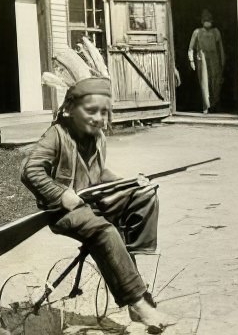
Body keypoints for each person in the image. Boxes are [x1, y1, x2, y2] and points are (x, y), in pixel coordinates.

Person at [20, 77, 176, 331]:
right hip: (64, 211)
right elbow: (31, 171)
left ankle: (127, 262)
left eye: (105, 112)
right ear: (69, 109)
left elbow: (98, 172)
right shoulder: (56, 135)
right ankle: (137, 303)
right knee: (105, 232)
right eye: (91, 111)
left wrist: (127, 183)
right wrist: (61, 194)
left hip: (93, 202)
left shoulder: (96, 137)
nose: (99, 118)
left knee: (145, 195)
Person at [188, 9, 225, 114]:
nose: (207, 21)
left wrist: (222, 60)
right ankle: (206, 106)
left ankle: (215, 104)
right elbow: (191, 48)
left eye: (209, 19)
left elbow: (220, 48)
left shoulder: (216, 32)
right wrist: (191, 61)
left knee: (216, 82)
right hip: (202, 58)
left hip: (214, 58)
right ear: (201, 20)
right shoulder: (197, 32)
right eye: (205, 19)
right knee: (204, 82)